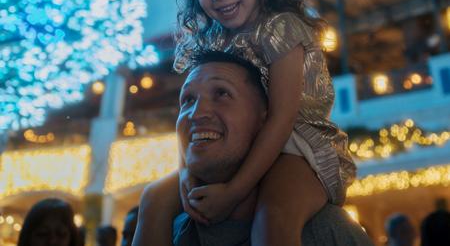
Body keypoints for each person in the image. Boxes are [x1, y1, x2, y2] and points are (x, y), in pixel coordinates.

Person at [138, 0, 356, 246]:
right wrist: (185, 172)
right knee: (153, 199)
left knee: (272, 221)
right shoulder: (214, 40)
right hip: (242, 142)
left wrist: (235, 191)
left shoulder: (282, 28)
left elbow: (283, 119)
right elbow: (192, 113)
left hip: (297, 149)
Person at [133, 51, 372, 245]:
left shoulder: (326, 233)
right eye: (188, 100)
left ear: (266, 119)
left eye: (221, 93)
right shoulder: (165, 230)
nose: (197, 113)